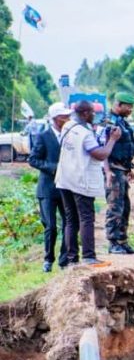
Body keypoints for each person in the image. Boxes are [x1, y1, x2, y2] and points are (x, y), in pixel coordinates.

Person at [55, 100, 122, 265]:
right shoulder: (85, 134)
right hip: (80, 181)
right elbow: (100, 154)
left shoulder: (67, 126)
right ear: (85, 113)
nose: (95, 115)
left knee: (71, 220)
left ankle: (72, 259)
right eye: (92, 112)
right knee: (86, 218)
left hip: (65, 179)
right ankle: (89, 257)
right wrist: (112, 140)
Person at [29, 103, 71, 272]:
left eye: (68, 116)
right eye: (64, 117)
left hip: (66, 187)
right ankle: (48, 260)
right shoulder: (43, 136)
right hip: (47, 189)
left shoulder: (70, 135)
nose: (67, 119)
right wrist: (53, 167)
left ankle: (64, 259)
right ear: (55, 119)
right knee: (51, 226)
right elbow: (33, 159)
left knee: (69, 223)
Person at [103, 92, 134, 255]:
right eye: (128, 106)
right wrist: (108, 170)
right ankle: (113, 241)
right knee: (115, 206)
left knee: (125, 207)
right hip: (113, 169)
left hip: (122, 169)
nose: (130, 109)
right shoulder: (109, 122)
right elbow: (103, 148)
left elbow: (125, 147)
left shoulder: (122, 122)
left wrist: (129, 169)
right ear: (118, 105)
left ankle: (122, 240)